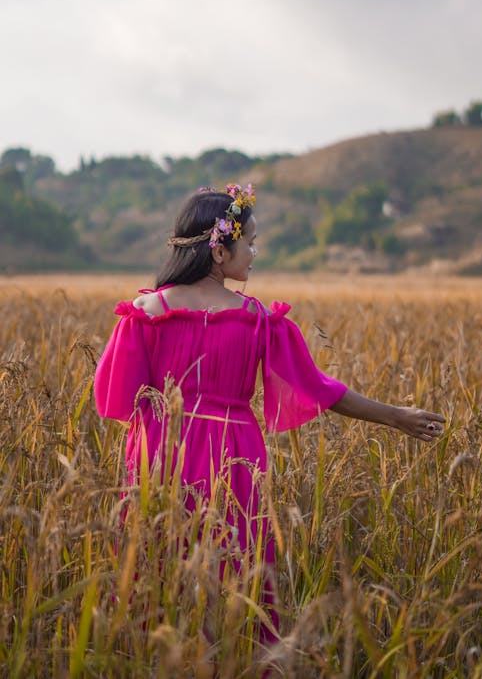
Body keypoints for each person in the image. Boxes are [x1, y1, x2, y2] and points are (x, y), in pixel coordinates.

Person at [94, 184, 445, 641]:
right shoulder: (257, 319)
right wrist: (394, 415)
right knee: (235, 579)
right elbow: (320, 389)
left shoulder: (145, 313)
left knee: (157, 573)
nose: (255, 253)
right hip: (233, 459)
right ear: (219, 251)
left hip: (159, 456)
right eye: (250, 242)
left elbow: (114, 395)